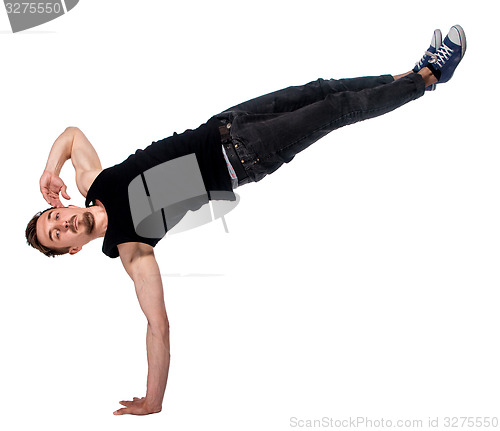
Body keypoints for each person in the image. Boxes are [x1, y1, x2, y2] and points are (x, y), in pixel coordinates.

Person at [25, 25, 466, 415]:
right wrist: (153, 399)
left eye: (54, 218)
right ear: (73, 248)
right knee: (338, 110)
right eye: (57, 236)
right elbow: (157, 326)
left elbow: (71, 135)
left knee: (323, 88)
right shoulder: (132, 246)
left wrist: (50, 170)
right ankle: (430, 77)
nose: (62, 224)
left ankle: (411, 74)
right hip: (245, 155)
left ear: (59, 205)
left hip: (228, 122)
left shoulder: (94, 182)